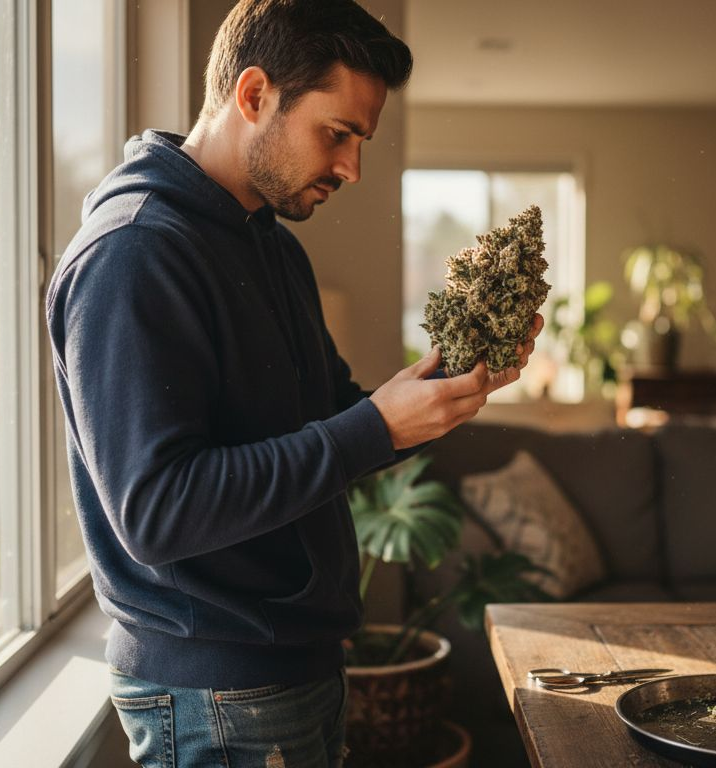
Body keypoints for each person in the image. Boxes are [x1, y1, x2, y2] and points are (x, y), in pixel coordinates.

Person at [44, 1, 540, 765]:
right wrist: (375, 427)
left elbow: (327, 421)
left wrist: (445, 391)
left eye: (360, 141)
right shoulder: (135, 254)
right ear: (253, 95)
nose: (351, 167)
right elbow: (157, 511)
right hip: (216, 691)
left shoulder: (271, 247)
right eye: (337, 133)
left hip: (291, 669)